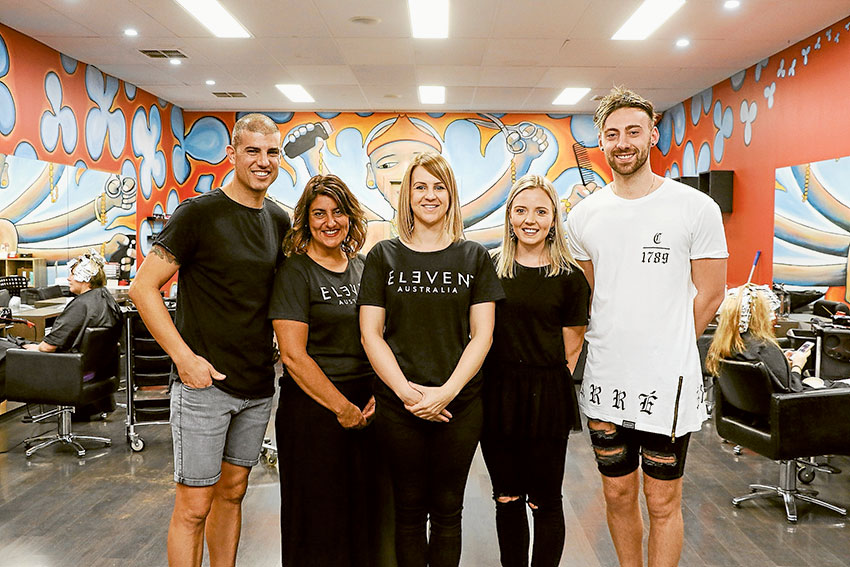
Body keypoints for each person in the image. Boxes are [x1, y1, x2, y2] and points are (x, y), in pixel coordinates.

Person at [564, 87, 728, 567]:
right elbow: (592, 295)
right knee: (615, 496)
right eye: (612, 134)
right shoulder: (584, 216)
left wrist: (668, 343)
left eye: (633, 131)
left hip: (668, 383)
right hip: (606, 381)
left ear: (653, 134)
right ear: (602, 141)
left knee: (662, 502)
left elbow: (712, 293)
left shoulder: (695, 207)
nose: (623, 142)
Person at [128, 113, 291, 567]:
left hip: (258, 385)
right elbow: (142, 288)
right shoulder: (198, 213)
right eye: (253, 151)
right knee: (194, 505)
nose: (263, 161)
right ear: (232, 153)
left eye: (271, 152)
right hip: (205, 387)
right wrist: (184, 358)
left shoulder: (279, 220)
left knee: (234, 493)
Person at [358, 152, 505, 567]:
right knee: (407, 510)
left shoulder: (473, 257)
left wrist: (446, 393)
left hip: (459, 405)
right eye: (420, 186)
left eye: (439, 187)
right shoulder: (383, 256)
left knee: (447, 511)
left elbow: (483, 334)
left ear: (451, 195)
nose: (430, 195)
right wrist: (407, 393)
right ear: (407, 196)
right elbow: (371, 334)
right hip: (397, 405)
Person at [269, 174, 378, 566]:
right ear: (306, 220)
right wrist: (342, 408)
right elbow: (294, 355)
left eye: (338, 212)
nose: (329, 222)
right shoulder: (295, 273)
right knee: (317, 519)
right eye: (319, 214)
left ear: (350, 217)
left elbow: (382, 337)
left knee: (363, 517)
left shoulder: (364, 267)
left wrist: (377, 399)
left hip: (367, 405)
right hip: (313, 410)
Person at [481, 174, 589, 567]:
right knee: (506, 496)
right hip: (497, 394)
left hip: (547, 395)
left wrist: (541, 377)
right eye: (521, 210)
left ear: (553, 218)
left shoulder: (570, 277)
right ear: (509, 217)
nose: (531, 219)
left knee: (545, 500)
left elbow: (572, 346)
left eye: (541, 211)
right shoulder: (488, 269)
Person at [0, 250, 122, 412]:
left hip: (67, 370)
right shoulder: (106, 299)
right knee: (14, 343)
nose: (68, 279)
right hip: (92, 369)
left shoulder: (81, 305)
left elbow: (47, 348)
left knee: (4, 352)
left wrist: (34, 348)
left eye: (72, 274)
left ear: (85, 279)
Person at [705, 284, 810, 392]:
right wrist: (798, 365)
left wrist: (782, 362)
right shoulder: (764, 347)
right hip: (779, 406)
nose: (773, 316)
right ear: (760, 315)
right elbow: (792, 389)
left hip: (743, 407)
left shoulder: (727, 345)